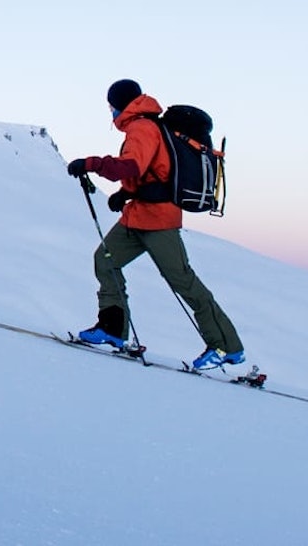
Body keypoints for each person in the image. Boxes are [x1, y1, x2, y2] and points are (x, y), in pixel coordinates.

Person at [66, 79, 245, 371]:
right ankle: (112, 329)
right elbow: (152, 171)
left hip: (159, 220)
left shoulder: (142, 127)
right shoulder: (147, 125)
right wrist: (125, 194)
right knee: (105, 259)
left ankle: (226, 346)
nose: (110, 111)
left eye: (111, 106)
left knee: (182, 280)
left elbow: (132, 166)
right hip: (138, 215)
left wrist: (91, 163)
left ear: (120, 103)